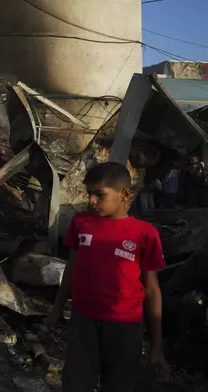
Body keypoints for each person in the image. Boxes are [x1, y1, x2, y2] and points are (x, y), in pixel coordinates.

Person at [45, 162, 170, 392]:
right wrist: (57, 308)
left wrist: (156, 346)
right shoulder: (81, 223)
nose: (91, 200)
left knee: (119, 385)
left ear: (124, 195)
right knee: (76, 383)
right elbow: (71, 269)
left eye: (99, 194)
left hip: (125, 327)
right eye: (89, 193)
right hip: (83, 321)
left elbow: (152, 290)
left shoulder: (145, 234)